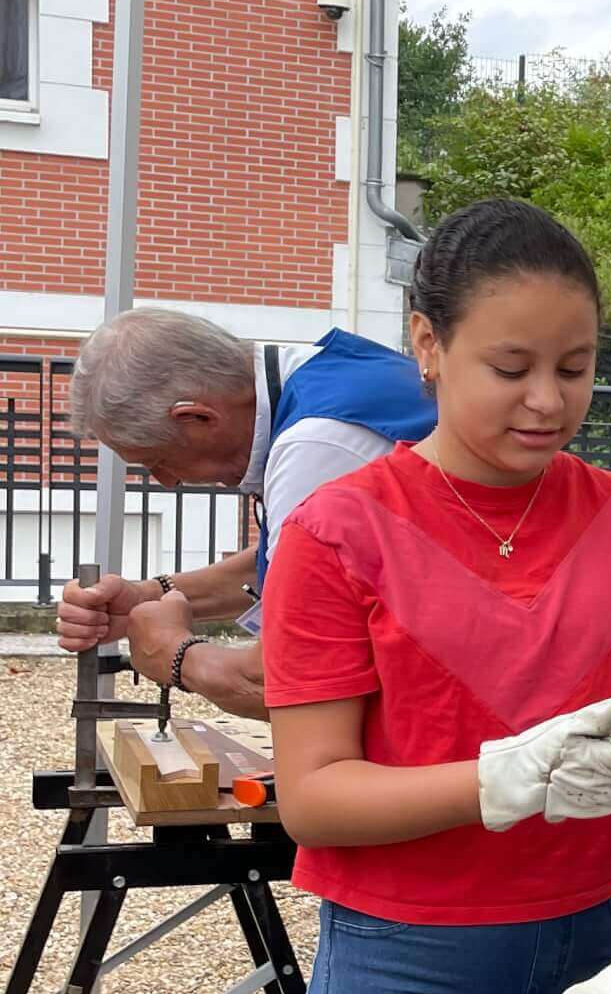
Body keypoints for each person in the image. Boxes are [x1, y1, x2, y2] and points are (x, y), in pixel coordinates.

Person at [261, 199, 611, 994]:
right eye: (511, 370)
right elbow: (313, 797)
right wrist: (501, 778)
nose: (547, 400)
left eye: (575, 368)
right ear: (428, 346)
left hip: (594, 931)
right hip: (402, 946)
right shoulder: (338, 532)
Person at [56, 307, 436, 717]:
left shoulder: (317, 444)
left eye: (158, 461)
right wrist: (145, 597)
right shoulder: (328, 374)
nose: (167, 482)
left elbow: (296, 685)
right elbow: (312, 569)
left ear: (198, 417)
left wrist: (175, 654)